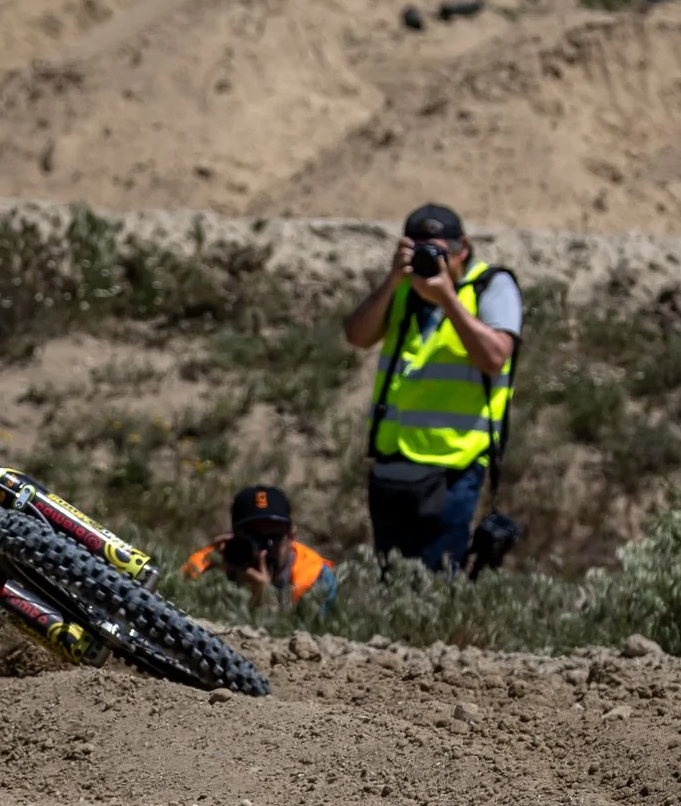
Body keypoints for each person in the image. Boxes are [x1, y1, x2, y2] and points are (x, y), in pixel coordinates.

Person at [341, 204, 521, 573]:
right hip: (394, 460)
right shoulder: (403, 289)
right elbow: (357, 335)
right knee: (391, 578)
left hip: (454, 464)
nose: (428, 258)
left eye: (436, 249)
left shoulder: (492, 286)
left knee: (438, 577)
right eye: (417, 248)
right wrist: (392, 280)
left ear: (462, 249)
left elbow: (495, 356)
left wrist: (447, 299)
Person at [182, 484, 337, 613]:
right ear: (233, 535)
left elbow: (313, 639)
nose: (263, 551)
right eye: (254, 537)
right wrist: (215, 579)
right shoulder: (207, 562)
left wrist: (265, 602)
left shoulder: (315, 577)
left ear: (291, 536)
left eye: (274, 538)